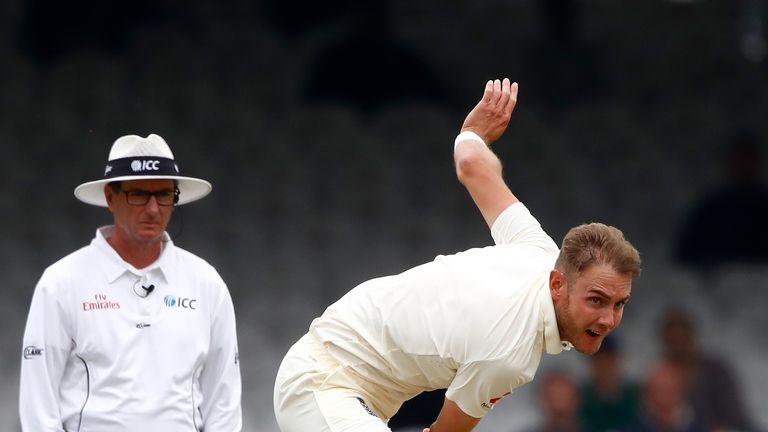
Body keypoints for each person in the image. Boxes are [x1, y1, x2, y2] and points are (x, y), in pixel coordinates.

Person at [273, 78, 642, 432]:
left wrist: (472, 134)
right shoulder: (509, 351)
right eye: (597, 300)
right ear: (558, 284)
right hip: (323, 384)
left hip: (351, 388)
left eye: (619, 303)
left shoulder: (538, 251)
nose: (609, 319)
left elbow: (472, 167)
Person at [19, 134, 242, 431]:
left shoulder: (206, 283)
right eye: (138, 194)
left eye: (163, 195)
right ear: (111, 197)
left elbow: (224, 403)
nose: (152, 209)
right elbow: (38, 407)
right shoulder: (61, 283)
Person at [659, 308, 752, 431]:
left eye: (682, 339)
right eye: (673, 341)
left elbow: (736, 417)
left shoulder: (717, 372)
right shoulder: (659, 377)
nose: (678, 346)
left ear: (691, 338)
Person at [579, 334, 641, 431]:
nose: (605, 366)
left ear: (618, 360)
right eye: (600, 360)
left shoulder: (635, 397)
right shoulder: (581, 399)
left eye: (609, 359)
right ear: (592, 363)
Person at [622, 361, 706, 432]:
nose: (663, 400)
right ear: (646, 396)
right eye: (657, 392)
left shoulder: (697, 429)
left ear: (681, 395)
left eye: (670, 392)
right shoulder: (631, 429)